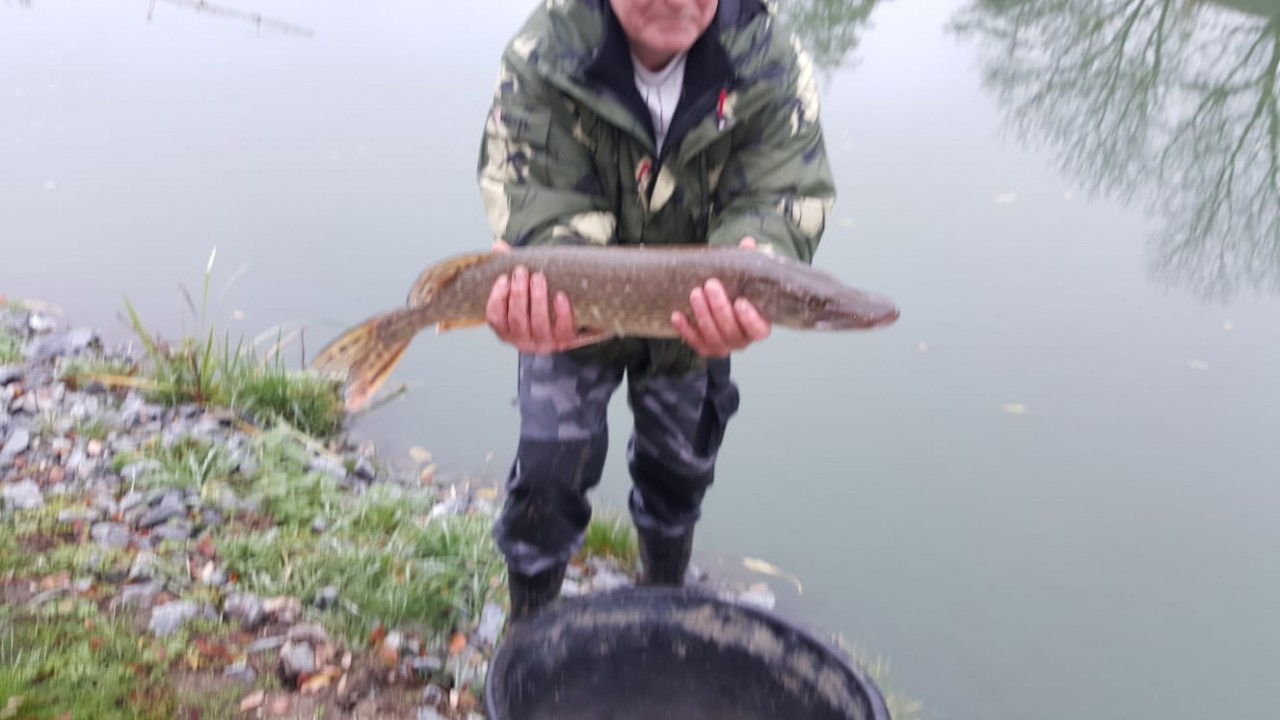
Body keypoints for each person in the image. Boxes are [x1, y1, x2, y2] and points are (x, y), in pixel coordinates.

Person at [475, 0, 836, 620]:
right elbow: (537, 195)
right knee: (548, 473)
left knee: (680, 470)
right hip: (570, 326)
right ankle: (528, 624)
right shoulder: (546, 53)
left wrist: (758, 255)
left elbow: (783, 194)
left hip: (695, 322)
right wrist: (543, 284)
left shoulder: (768, 58)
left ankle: (663, 598)